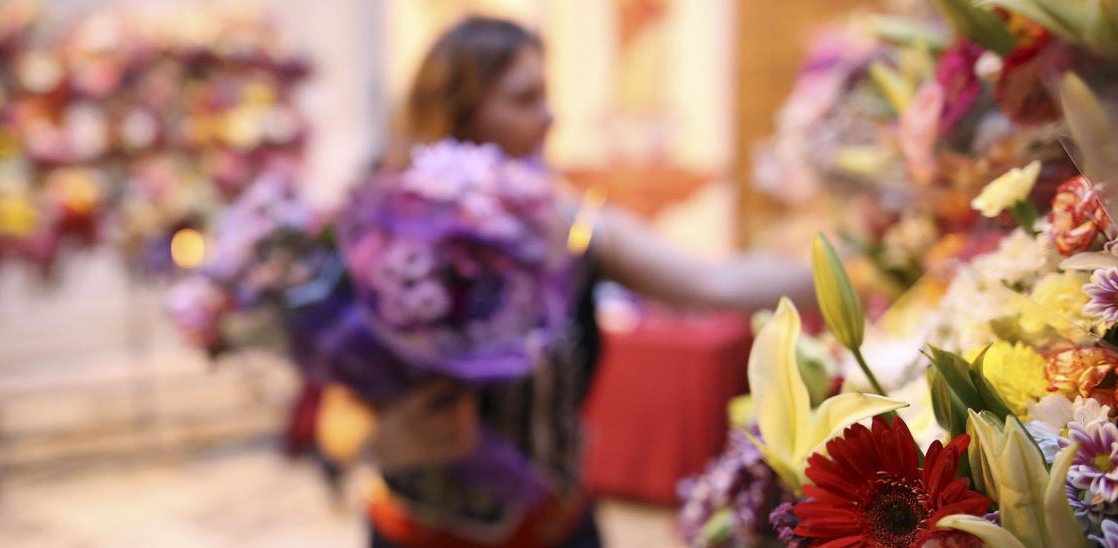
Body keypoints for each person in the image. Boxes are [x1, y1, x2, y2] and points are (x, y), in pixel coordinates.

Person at [329, 16, 816, 548]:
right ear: (461, 112)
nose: (549, 117)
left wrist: (859, 271)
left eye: (546, 94)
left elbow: (714, 283)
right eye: (524, 99)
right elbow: (335, 422)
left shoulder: (572, 227)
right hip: (419, 534)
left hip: (557, 528)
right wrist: (383, 440)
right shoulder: (390, 239)